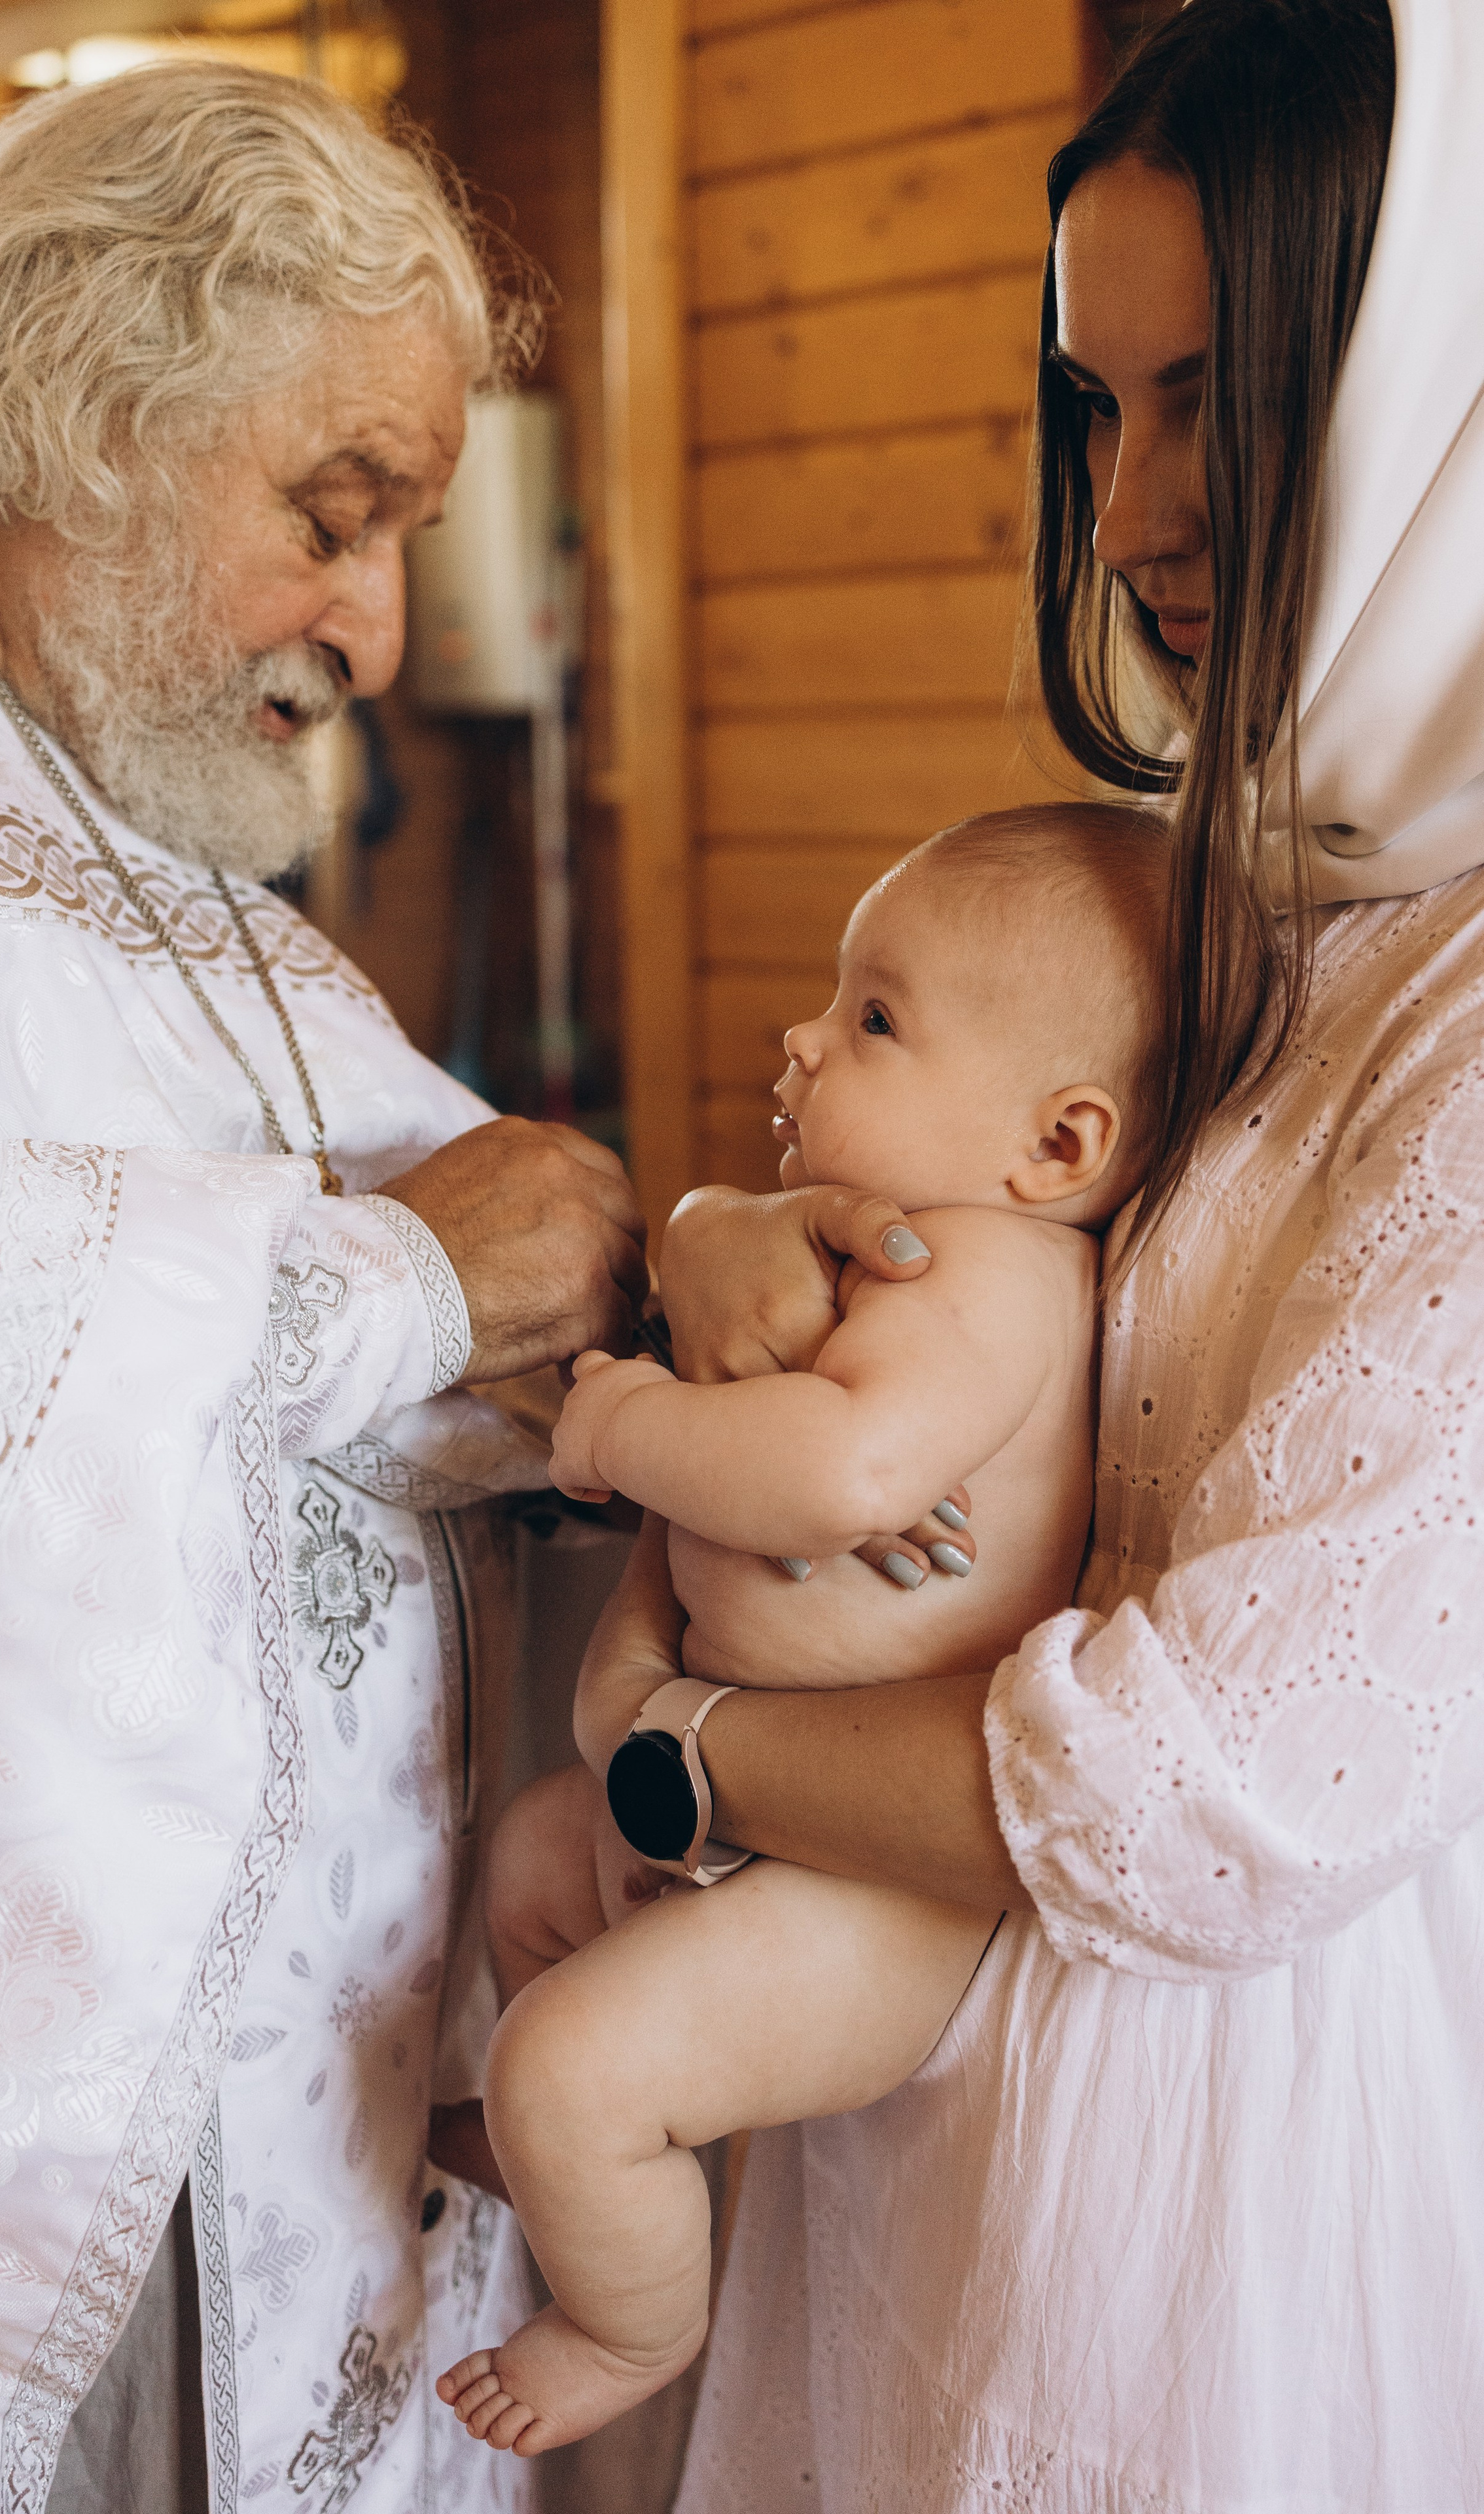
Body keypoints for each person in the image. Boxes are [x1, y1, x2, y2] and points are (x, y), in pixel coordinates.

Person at [570, 0, 1484, 2505]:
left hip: (1237, 2163)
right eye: (1102, 408)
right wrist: (742, 1242)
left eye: (1214, 399)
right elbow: (939, 1217)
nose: (1132, 514)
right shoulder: (1260, 866)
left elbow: (1223, 1795)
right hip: (940, 2058)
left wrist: (679, 1748)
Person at [0, 63, 668, 2514]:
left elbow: (471, 1200)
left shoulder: (88, 757)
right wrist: (396, 1282)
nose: (382, 625)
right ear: (87, 410)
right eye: (336, 511)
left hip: (273, 2113)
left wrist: (658, 1282)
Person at [434, 805, 1169, 2456]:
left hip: (871, 1880)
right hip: (746, 1811)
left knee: (565, 2063)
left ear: (1055, 1145)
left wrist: (618, 1427)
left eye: (872, 1020)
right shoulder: (878, 1259)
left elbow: (841, 1473)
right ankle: (586, 2156)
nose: (803, 1036)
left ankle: (630, 2319)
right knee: (539, 1872)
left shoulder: (987, 1274)